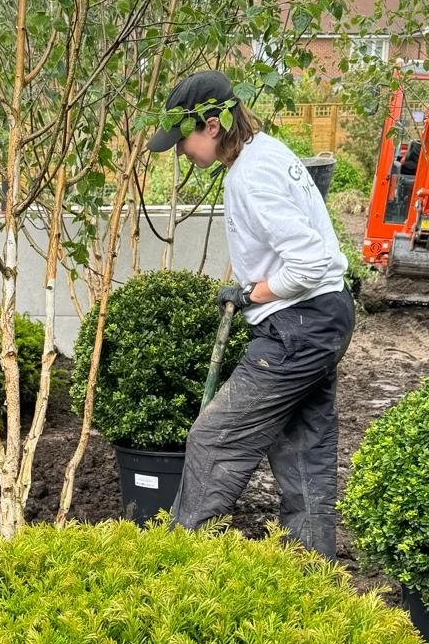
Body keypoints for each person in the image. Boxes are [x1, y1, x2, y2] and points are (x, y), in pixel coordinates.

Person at [148, 70, 355, 559]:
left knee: (213, 440)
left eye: (183, 140)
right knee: (304, 449)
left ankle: (182, 567)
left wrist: (256, 292)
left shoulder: (252, 174)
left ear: (214, 125)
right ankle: (312, 579)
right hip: (325, 317)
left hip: (299, 324)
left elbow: (308, 262)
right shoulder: (270, 152)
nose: (180, 152)